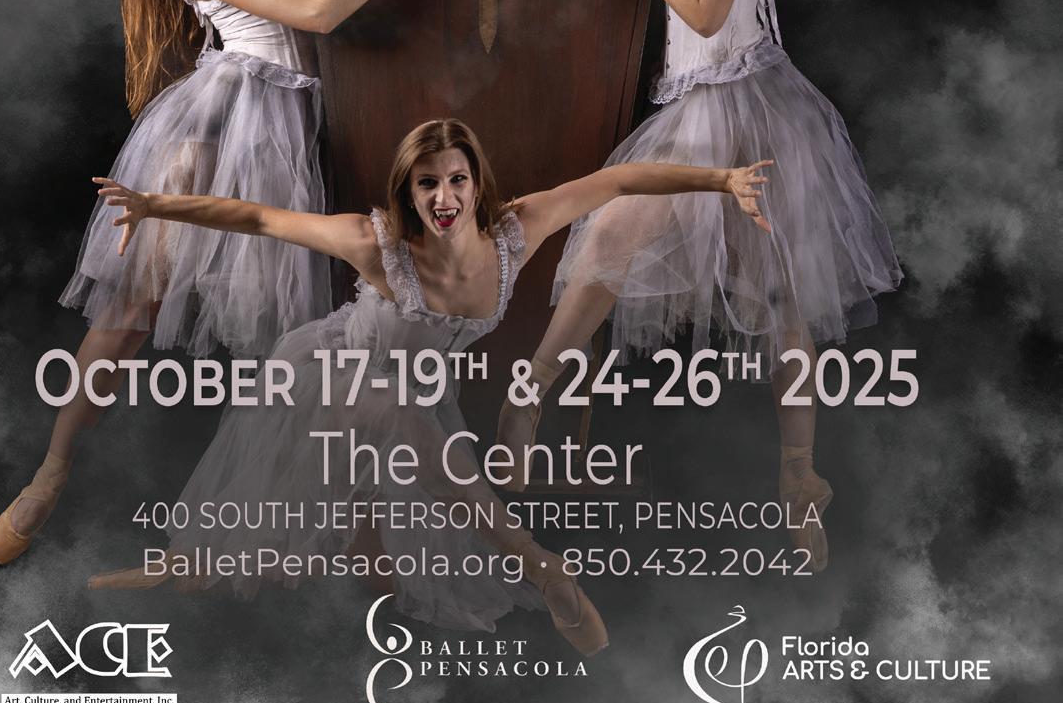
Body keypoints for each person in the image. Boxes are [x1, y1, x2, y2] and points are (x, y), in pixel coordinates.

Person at [0, 0, 471, 566]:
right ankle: (52, 467)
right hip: (222, 129)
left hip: (304, 121)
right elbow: (314, 14)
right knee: (133, 310)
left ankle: (345, 519)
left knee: (306, 329)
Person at [86, 119, 772, 651]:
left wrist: (723, 180)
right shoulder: (376, 245)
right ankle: (541, 567)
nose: (444, 199)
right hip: (336, 376)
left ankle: (204, 576)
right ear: (407, 192)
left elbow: (618, 182)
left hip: (415, 392)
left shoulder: (517, 232)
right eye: (426, 185)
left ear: (476, 182)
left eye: (456, 180)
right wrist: (153, 204)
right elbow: (258, 218)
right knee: (377, 439)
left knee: (359, 557)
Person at [497, 0, 902, 570]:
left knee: (779, 295)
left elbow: (710, 16)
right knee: (612, 239)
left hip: (752, 108)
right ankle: (525, 403)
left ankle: (798, 473)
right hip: (695, 107)